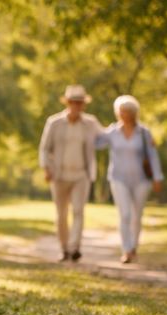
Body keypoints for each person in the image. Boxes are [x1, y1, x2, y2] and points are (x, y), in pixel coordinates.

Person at [38, 85, 102, 262]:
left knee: (79, 211)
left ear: (83, 105)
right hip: (59, 175)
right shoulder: (54, 123)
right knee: (61, 214)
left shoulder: (90, 123)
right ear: (67, 103)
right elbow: (44, 149)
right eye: (73, 102)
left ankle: (75, 248)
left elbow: (105, 137)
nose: (76, 106)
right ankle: (64, 248)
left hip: (81, 175)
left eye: (80, 103)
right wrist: (46, 168)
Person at [96, 95, 163, 263]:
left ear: (134, 113)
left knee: (136, 215)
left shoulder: (144, 133)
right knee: (125, 214)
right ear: (117, 113)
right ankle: (126, 249)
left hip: (141, 180)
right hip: (118, 178)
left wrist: (157, 177)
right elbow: (95, 143)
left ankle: (134, 246)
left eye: (128, 112)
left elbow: (153, 156)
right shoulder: (112, 131)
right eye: (121, 111)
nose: (124, 114)